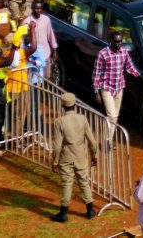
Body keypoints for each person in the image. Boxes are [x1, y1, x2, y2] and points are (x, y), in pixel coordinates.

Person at [50, 92, 98, 223]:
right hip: (81, 156)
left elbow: (57, 146)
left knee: (67, 183)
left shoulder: (59, 122)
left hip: (66, 157)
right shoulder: (83, 119)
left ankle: (63, 213)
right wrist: (94, 155)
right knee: (84, 181)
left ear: (62, 106)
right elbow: (93, 142)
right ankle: (90, 210)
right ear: (74, 104)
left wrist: (55, 162)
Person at [93, 32, 143, 141]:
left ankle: (109, 139)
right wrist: (96, 92)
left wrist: (140, 76)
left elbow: (129, 67)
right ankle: (108, 141)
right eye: (117, 42)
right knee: (112, 115)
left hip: (119, 87)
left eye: (121, 41)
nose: (119, 44)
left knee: (115, 115)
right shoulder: (102, 54)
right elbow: (96, 74)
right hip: (106, 88)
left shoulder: (124, 52)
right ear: (111, 41)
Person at [22, 0, 58, 80]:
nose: (38, 10)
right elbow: (23, 40)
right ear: (32, 8)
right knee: (33, 78)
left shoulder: (46, 19)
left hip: (45, 54)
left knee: (46, 77)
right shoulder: (26, 22)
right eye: (36, 8)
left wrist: (54, 50)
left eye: (40, 8)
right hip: (33, 56)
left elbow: (50, 35)